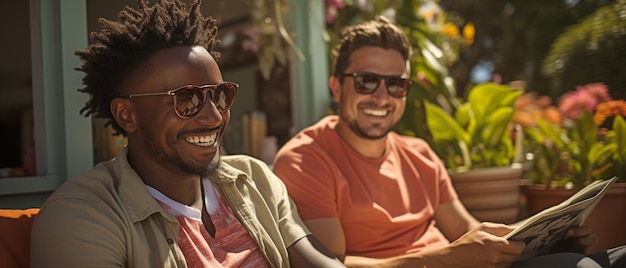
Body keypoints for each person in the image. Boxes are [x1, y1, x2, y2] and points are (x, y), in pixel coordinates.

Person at [272, 16, 626, 268]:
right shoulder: (306, 160)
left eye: (396, 84)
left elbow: (467, 231)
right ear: (337, 87)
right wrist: (445, 258)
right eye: (366, 81)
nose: (382, 96)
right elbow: (332, 265)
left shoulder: (419, 154)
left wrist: (541, 240)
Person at [29, 0, 345, 267]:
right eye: (187, 99)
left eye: (220, 95)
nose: (213, 117)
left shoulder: (255, 180)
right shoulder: (83, 216)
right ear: (127, 115)